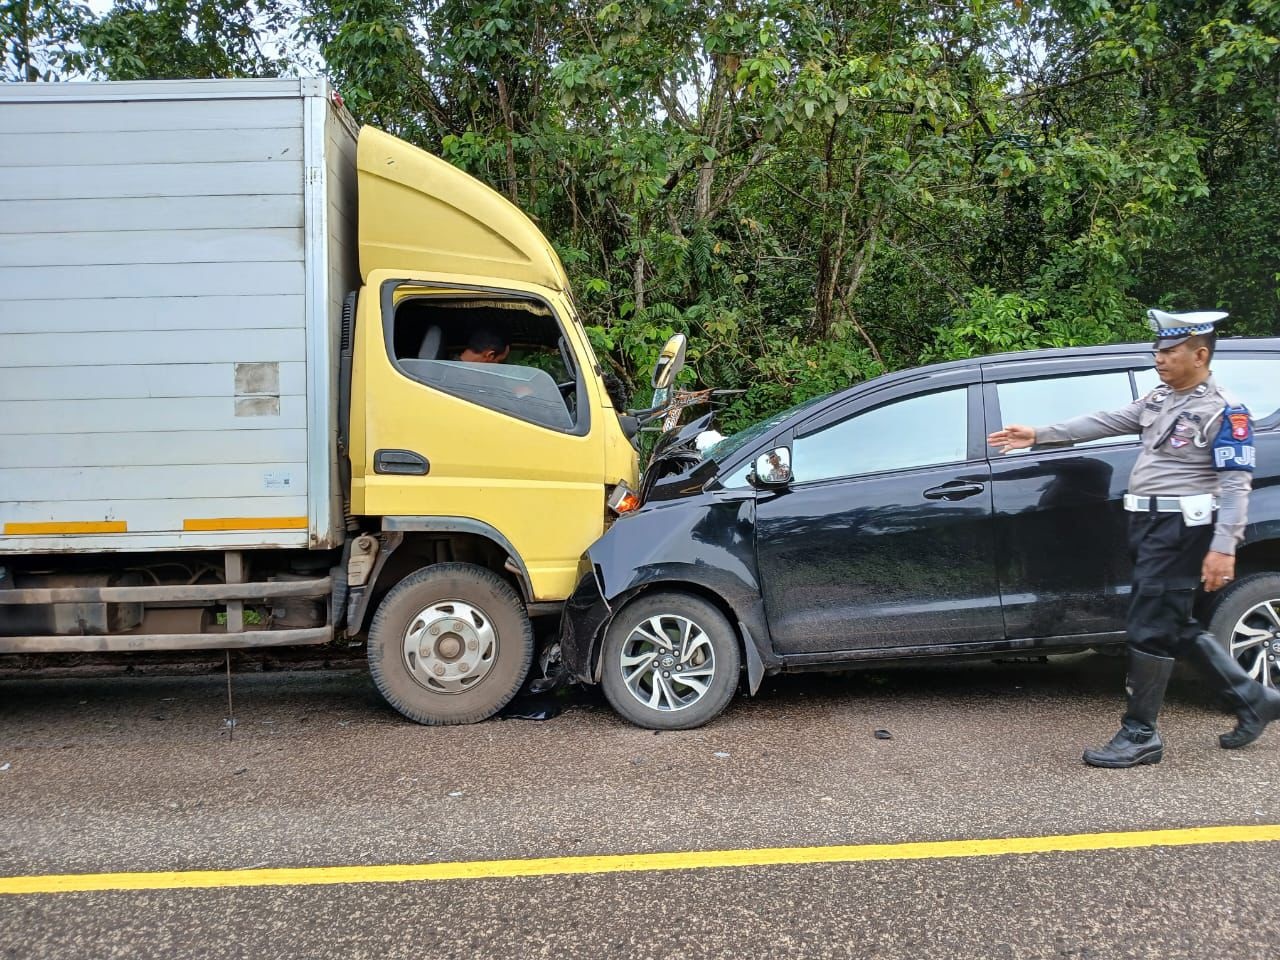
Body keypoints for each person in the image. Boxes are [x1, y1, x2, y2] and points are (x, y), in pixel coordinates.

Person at [988, 308, 1280, 768]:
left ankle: (1140, 733)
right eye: (1157, 351)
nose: (1158, 358)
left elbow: (1235, 485)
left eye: (1169, 351)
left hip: (1181, 529)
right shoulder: (1161, 398)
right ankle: (1253, 699)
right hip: (1148, 525)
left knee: (1147, 626)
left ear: (1200, 355)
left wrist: (1224, 546)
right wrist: (1040, 434)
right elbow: (1107, 421)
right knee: (1173, 623)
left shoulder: (1225, 411)